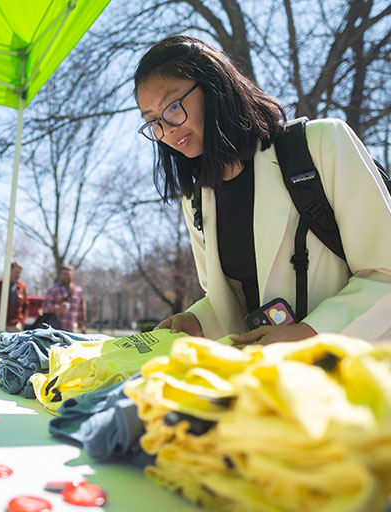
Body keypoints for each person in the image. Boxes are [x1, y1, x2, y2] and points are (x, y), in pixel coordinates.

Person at [134, 35, 391, 344]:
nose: (167, 129)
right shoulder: (196, 199)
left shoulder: (321, 144)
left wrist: (307, 334)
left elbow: (384, 274)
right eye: (153, 123)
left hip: (354, 380)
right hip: (267, 383)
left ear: (216, 87)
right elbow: (230, 300)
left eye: (173, 106)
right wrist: (197, 321)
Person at [0, 262, 28, 332]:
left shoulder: (22, 287)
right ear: (9, 271)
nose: (18, 275)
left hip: (15, 325)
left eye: (19, 273)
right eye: (16, 272)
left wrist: (22, 321)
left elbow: (26, 306)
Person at [43, 265, 86, 333]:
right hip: (56, 329)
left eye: (68, 274)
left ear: (72, 275)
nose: (66, 276)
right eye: (64, 274)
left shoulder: (78, 291)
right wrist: (58, 308)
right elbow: (46, 308)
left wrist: (83, 326)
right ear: (60, 275)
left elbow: (81, 310)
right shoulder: (53, 289)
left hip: (72, 329)